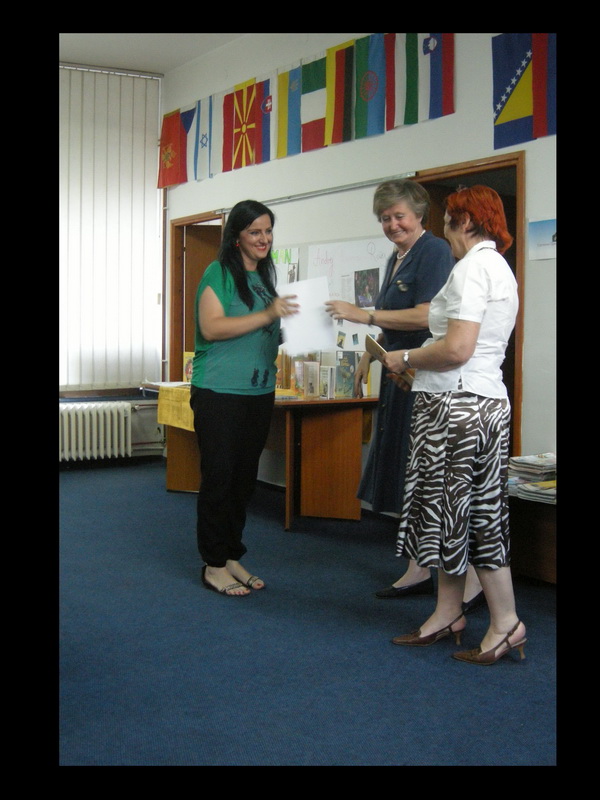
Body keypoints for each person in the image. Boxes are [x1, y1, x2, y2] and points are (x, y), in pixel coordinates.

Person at [325, 180, 484, 611]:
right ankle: (418, 568)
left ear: (419, 215)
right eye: (385, 218)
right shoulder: (397, 257)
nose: (392, 224)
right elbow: (393, 321)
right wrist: (369, 354)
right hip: (398, 373)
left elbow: (427, 315)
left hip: (423, 377)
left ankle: (468, 576)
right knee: (408, 475)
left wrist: (364, 315)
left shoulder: (433, 252)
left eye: (399, 216)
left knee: (430, 476)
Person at [384, 186, 526, 664]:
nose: (443, 231)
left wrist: (405, 358)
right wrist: (420, 370)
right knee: (459, 514)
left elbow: (457, 349)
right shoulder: (498, 266)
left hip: (457, 407)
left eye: (447, 221)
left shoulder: (470, 269)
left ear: (465, 221)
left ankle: (506, 623)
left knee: (470, 517)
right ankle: (449, 612)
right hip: (480, 401)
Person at [189, 200, 299, 596]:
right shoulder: (218, 272)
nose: (263, 238)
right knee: (219, 478)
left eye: (268, 231)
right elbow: (213, 327)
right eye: (255, 231)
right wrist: (269, 315)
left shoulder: (264, 278)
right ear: (236, 236)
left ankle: (232, 554)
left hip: (259, 391)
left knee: (243, 480)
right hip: (219, 391)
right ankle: (214, 564)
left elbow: (263, 332)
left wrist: (307, 326)